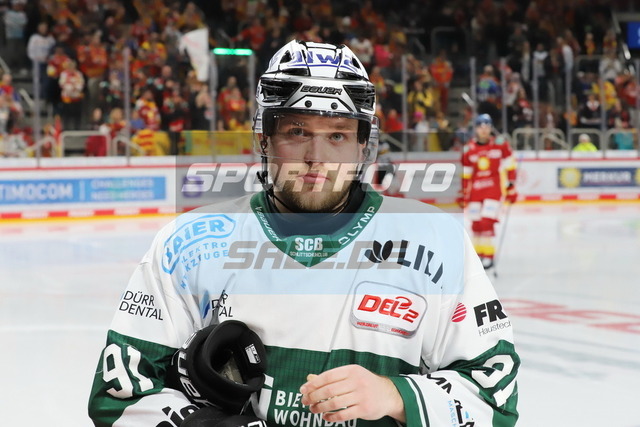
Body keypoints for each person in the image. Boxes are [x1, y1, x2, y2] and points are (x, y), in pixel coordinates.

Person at [88, 41, 519, 426]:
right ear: (265, 138)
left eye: (337, 135)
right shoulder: (188, 243)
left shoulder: (436, 240)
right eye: (297, 132)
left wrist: (395, 395)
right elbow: (118, 396)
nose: (317, 157)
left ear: (362, 145)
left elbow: (495, 396)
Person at [459, 114, 518, 269]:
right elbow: (466, 175)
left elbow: (511, 166)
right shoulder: (468, 149)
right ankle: (478, 255)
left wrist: (511, 186)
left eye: (487, 127)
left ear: (491, 128)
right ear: (476, 129)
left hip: (493, 191)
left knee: (486, 221)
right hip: (475, 192)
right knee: (476, 224)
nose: (484, 130)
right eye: (480, 127)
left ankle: (489, 255)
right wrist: (462, 193)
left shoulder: (500, 145)